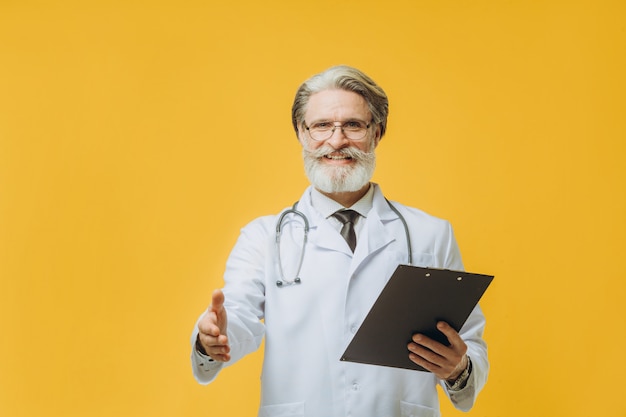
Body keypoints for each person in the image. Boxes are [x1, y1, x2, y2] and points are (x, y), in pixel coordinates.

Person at [191, 65, 489, 417]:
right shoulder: (263, 237)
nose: (336, 141)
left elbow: (469, 342)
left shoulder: (430, 234)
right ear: (301, 133)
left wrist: (458, 369)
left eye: (353, 125)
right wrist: (211, 339)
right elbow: (236, 316)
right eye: (321, 126)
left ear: (377, 133)